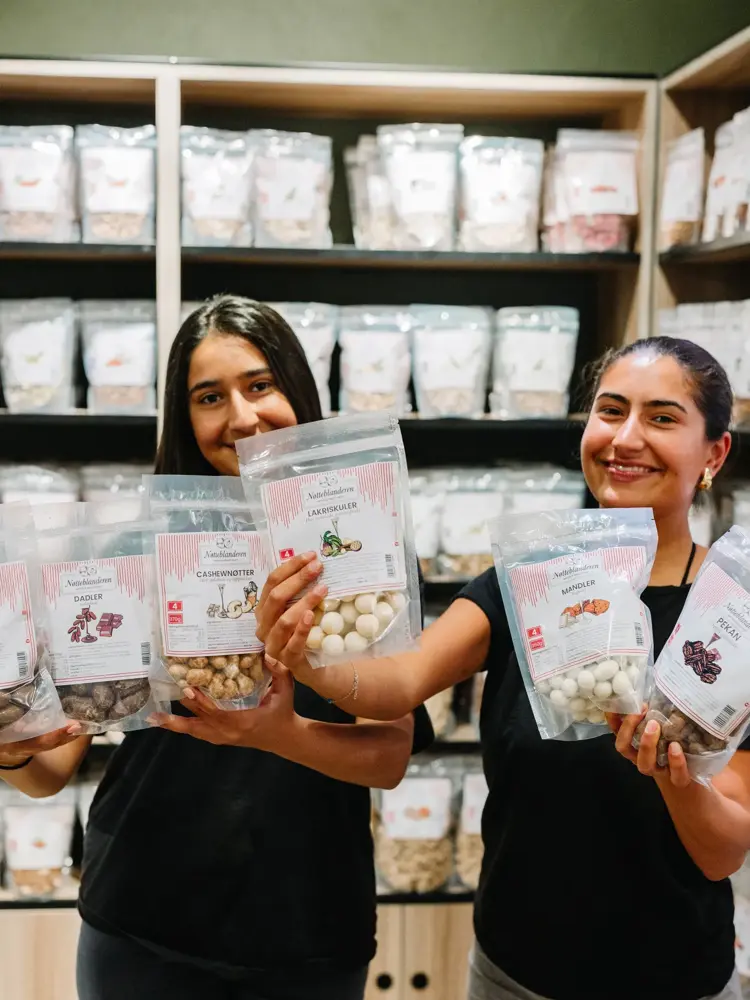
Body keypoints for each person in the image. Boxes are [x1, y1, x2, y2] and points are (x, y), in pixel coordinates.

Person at [216, 336, 750, 1000]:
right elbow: (401, 681)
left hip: (677, 983)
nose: (625, 438)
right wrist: (310, 657)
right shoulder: (528, 579)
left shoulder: (731, 616)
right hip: (511, 975)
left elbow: (723, 851)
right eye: (611, 411)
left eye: (662, 418)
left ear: (714, 453)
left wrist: (676, 779)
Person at [0, 294, 433, 1000]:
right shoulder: (133, 551)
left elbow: (389, 755)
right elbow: (52, 769)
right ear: (185, 416)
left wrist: (279, 734)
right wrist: (10, 745)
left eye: (260, 385)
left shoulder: (364, 547)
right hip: (141, 922)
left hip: (308, 927)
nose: (241, 417)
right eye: (209, 397)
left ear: (299, 389)